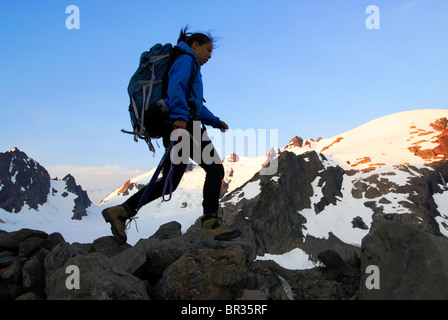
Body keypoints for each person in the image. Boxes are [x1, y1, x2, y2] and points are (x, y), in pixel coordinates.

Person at [102, 26, 241, 244]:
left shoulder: (186, 60)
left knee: (170, 181)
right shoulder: (187, 60)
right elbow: (177, 88)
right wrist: (181, 118)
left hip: (177, 123)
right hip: (185, 125)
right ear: (195, 45)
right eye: (208, 50)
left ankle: (122, 210)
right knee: (215, 170)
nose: (210, 55)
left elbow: (192, 102)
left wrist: (214, 121)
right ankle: (210, 222)